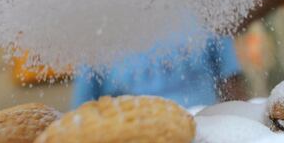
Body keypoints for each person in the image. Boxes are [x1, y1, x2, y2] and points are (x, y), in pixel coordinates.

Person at [71, 31, 245, 109]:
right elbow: (83, 111)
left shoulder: (203, 6)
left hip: (209, 131)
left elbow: (232, 85)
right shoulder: (98, 34)